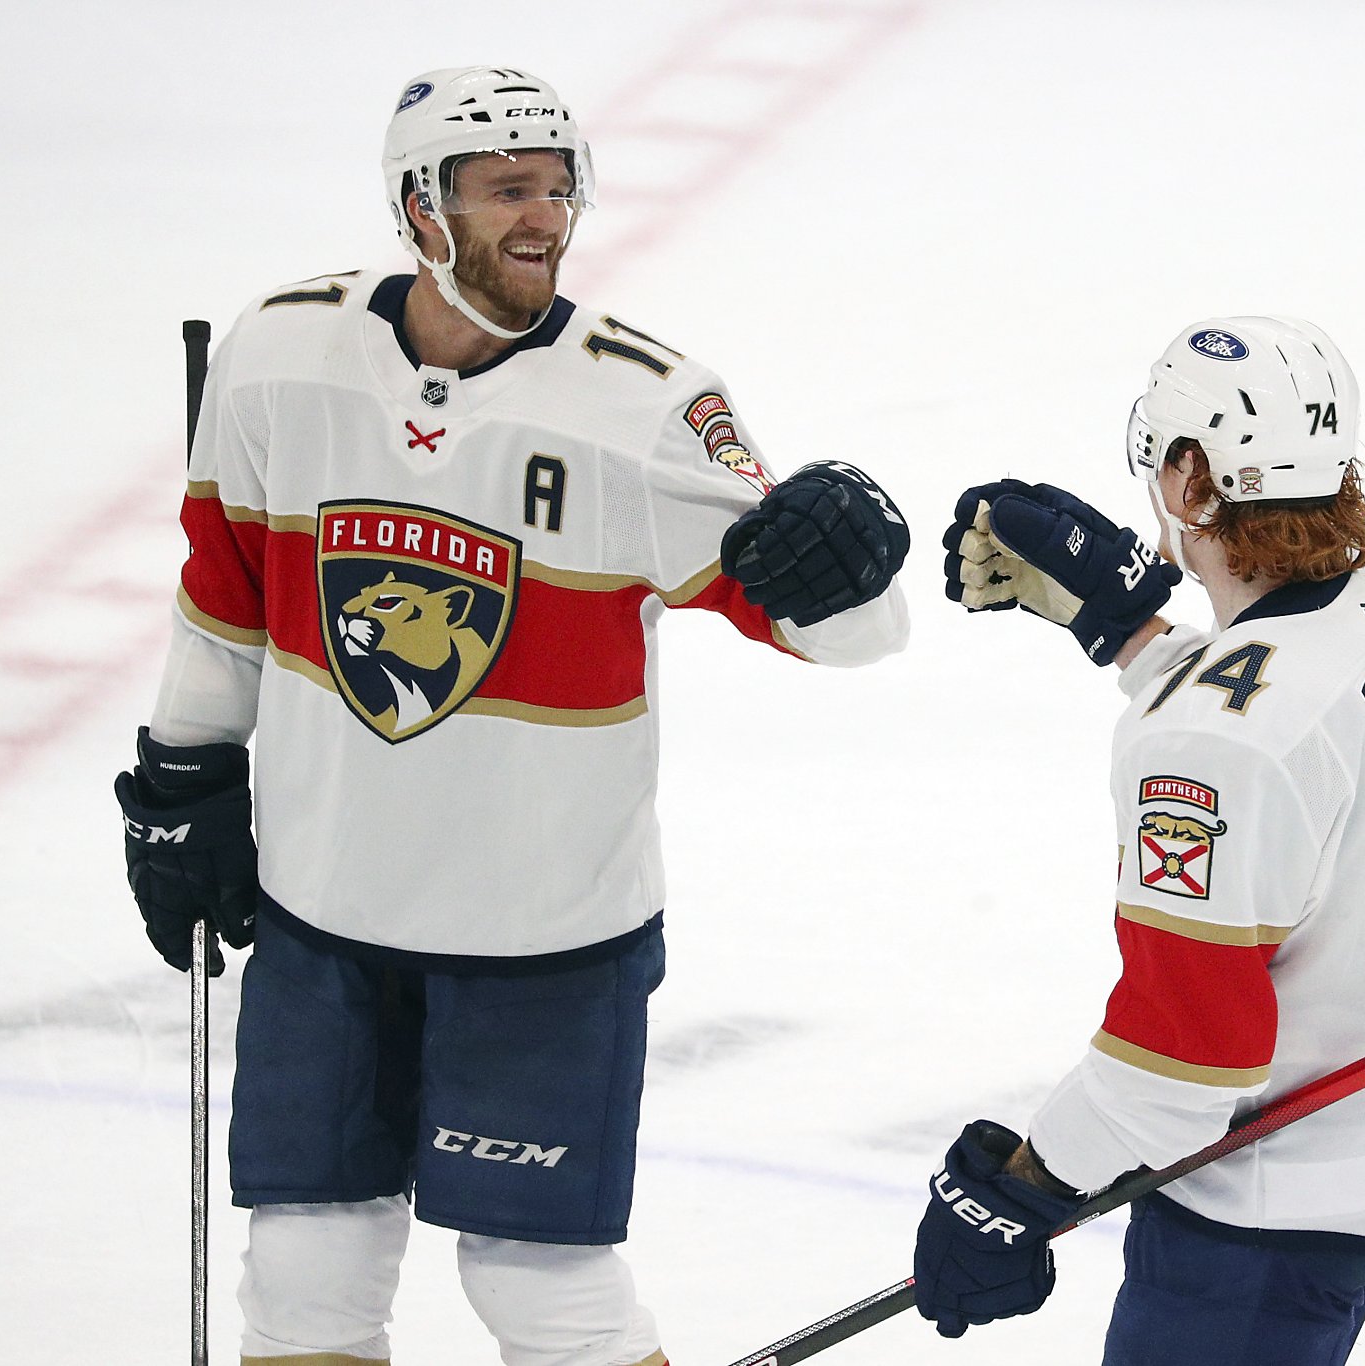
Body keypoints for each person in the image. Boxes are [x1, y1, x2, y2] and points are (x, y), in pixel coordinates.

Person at [112, 66, 910, 1366]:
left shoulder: (643, 407)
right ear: (421, 209)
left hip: (548, 940)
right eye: (505, 190)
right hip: (329, 914)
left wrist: (850, 571)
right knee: (304, 1276)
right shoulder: (281, 356)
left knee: (544, 1292)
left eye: (558, 185)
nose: (543, 215)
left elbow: (846, 634)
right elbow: (224, 602)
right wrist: (183, 772)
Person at [917, 316, 1365, 1364]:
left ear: (1190, 478)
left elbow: (1178, 1068)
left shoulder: (1214, 743)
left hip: (1269, 1203)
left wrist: (1019, 1189)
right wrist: (1133, 637)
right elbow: (1294, 760)